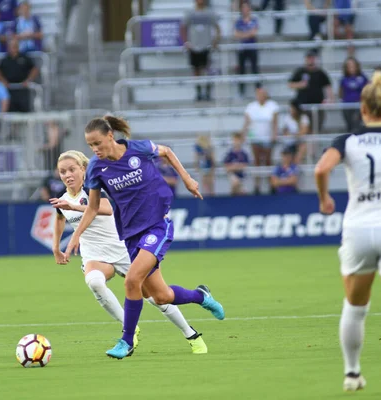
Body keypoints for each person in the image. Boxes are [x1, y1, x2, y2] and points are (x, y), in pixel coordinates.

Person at [64, 116, 225, 359]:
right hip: (130, 234)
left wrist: (187, 179)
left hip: (157, 226)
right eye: (90, 146)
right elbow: (94, 207)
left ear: (110, 136)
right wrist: (76, 235)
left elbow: (167, 152)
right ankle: (201, 296)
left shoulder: (137, 148)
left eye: (97, 143)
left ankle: (126, 341)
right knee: (161, 296)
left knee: (132, 280)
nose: (95, 150)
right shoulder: (96, 168)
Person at [314, 71, 381, 397]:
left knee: (356, 306)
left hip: (359, 229)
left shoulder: (349, 141)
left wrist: (324, 198)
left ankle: (352, 373)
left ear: (363, 108)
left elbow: (321, 169)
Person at [51, 150, 207, 353]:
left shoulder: (95, 187)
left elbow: (106, 208)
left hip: (123, 249)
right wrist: (56, 247)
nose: (67, 175)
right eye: (63, 172)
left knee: (156, 298)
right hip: (95, 255)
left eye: (72, 169)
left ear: (83, 169)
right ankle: (130, 329)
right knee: (95, 282)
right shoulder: (62, 200)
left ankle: (191, 334)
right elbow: (60, 217)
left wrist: (73, 206)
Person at [181, 0, 220, 101]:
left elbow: (217, 28)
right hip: (194, 46)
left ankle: (207, 93)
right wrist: (186, 42)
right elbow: (183, 27)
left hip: (206, 46)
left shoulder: (209, 13)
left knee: (208, 70)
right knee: (196, 71)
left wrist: (215, 41)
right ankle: (198, 92)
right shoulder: (190, 13)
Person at [242, 86, 279, 194]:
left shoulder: (272, 106)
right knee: (257, 161)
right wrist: (243, 134)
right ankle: (257, 185)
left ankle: (271, 185)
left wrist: (274, 134)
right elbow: (247, 122)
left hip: (267, 137)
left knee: (268, 161)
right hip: (255, 137)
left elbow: (275, 122)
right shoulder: (251, 107)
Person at [288, 50, 334, 133]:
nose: (310, 60)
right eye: (309, 58)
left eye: (312, 58)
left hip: (318, 106)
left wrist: (330, 99)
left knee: (316, 129)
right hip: (303, 107)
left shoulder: (320, 73)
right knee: (305, 129)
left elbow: (328, 86)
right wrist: (300, 84)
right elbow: (290, 84)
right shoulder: (300, 72)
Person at [0, 36, 39, 113]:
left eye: (15, 46)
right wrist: (3, 81)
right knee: (10, 111)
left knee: (25, 111)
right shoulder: (5, 59)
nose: (13, 48)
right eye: (11, 46)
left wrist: (28, 80)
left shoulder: (24, 57)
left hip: (22, 88)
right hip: (9, 88)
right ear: (8, 48)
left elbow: (34, 69)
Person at [234, 2, 259, 97]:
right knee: (241, 70)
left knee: (255, 69)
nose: (245, 9)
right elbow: (236, 34)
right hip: (242, 48)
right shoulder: (239, 21)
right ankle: (241, 91)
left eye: (247, 7)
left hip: (252, 47)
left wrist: (243, 34)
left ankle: (258, 90)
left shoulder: (254, 20)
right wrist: (248, 34)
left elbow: (254, 33)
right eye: (243, 8)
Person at [340, 57, 368, 132]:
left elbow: (367, 90)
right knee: (349, 125)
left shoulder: (363, 77)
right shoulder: (344, 79)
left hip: (358, 105)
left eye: (353, 65)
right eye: (349, 65)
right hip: (347, 105)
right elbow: (341, 92)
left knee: (356, 124)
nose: (351, 67)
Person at [281, 100, 309, 165]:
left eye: (292, 108)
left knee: (303, 146)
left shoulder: (303, 117)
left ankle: (295, 166)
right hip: (289, 143)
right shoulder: (287, 118)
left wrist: (292, 134)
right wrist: (295, 134)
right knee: (287, 152)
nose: (291, 110)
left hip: (299, 143)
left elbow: (304, 131)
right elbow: (284, 132)